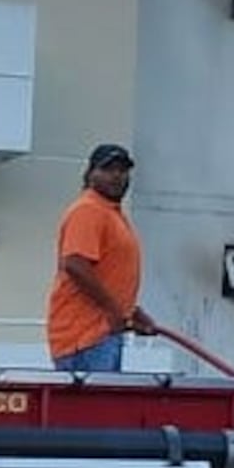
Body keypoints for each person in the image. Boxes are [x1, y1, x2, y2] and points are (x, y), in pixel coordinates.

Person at [46, 142, 155, 371]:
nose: (116, 176)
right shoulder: (88, 210)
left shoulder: (110, 214)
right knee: (92, 407)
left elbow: (109, 274)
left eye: (122, 170)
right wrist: (114, 309)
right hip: (85, 339)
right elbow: (75, 264)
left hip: (101, 335)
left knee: (106, 406)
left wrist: (130, 312)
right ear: (90, 174)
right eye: (108, 169)